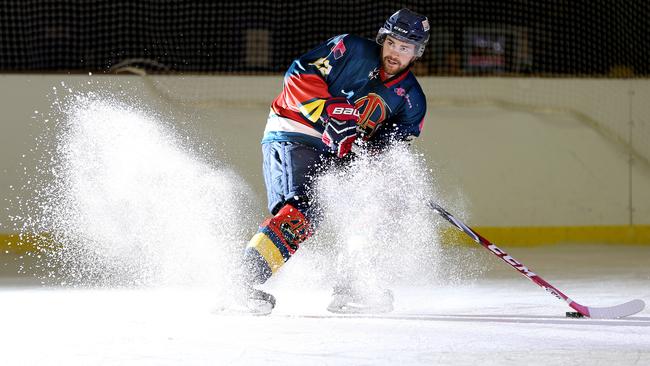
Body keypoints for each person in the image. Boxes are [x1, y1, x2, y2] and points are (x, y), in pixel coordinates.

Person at [237, 8, 430, 314]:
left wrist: (378, 161)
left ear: (417, 52)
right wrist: (328, 114)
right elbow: (299, 74)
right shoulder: (350, 48)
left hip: (340, 154)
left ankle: (353, 287)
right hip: (295, 131)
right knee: (301, 211)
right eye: (392, 42)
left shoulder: (412, 101)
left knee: (378, 204)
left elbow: (388, 148)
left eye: (405, 47)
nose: (395, 52)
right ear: (383, 39)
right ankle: (238, 285)